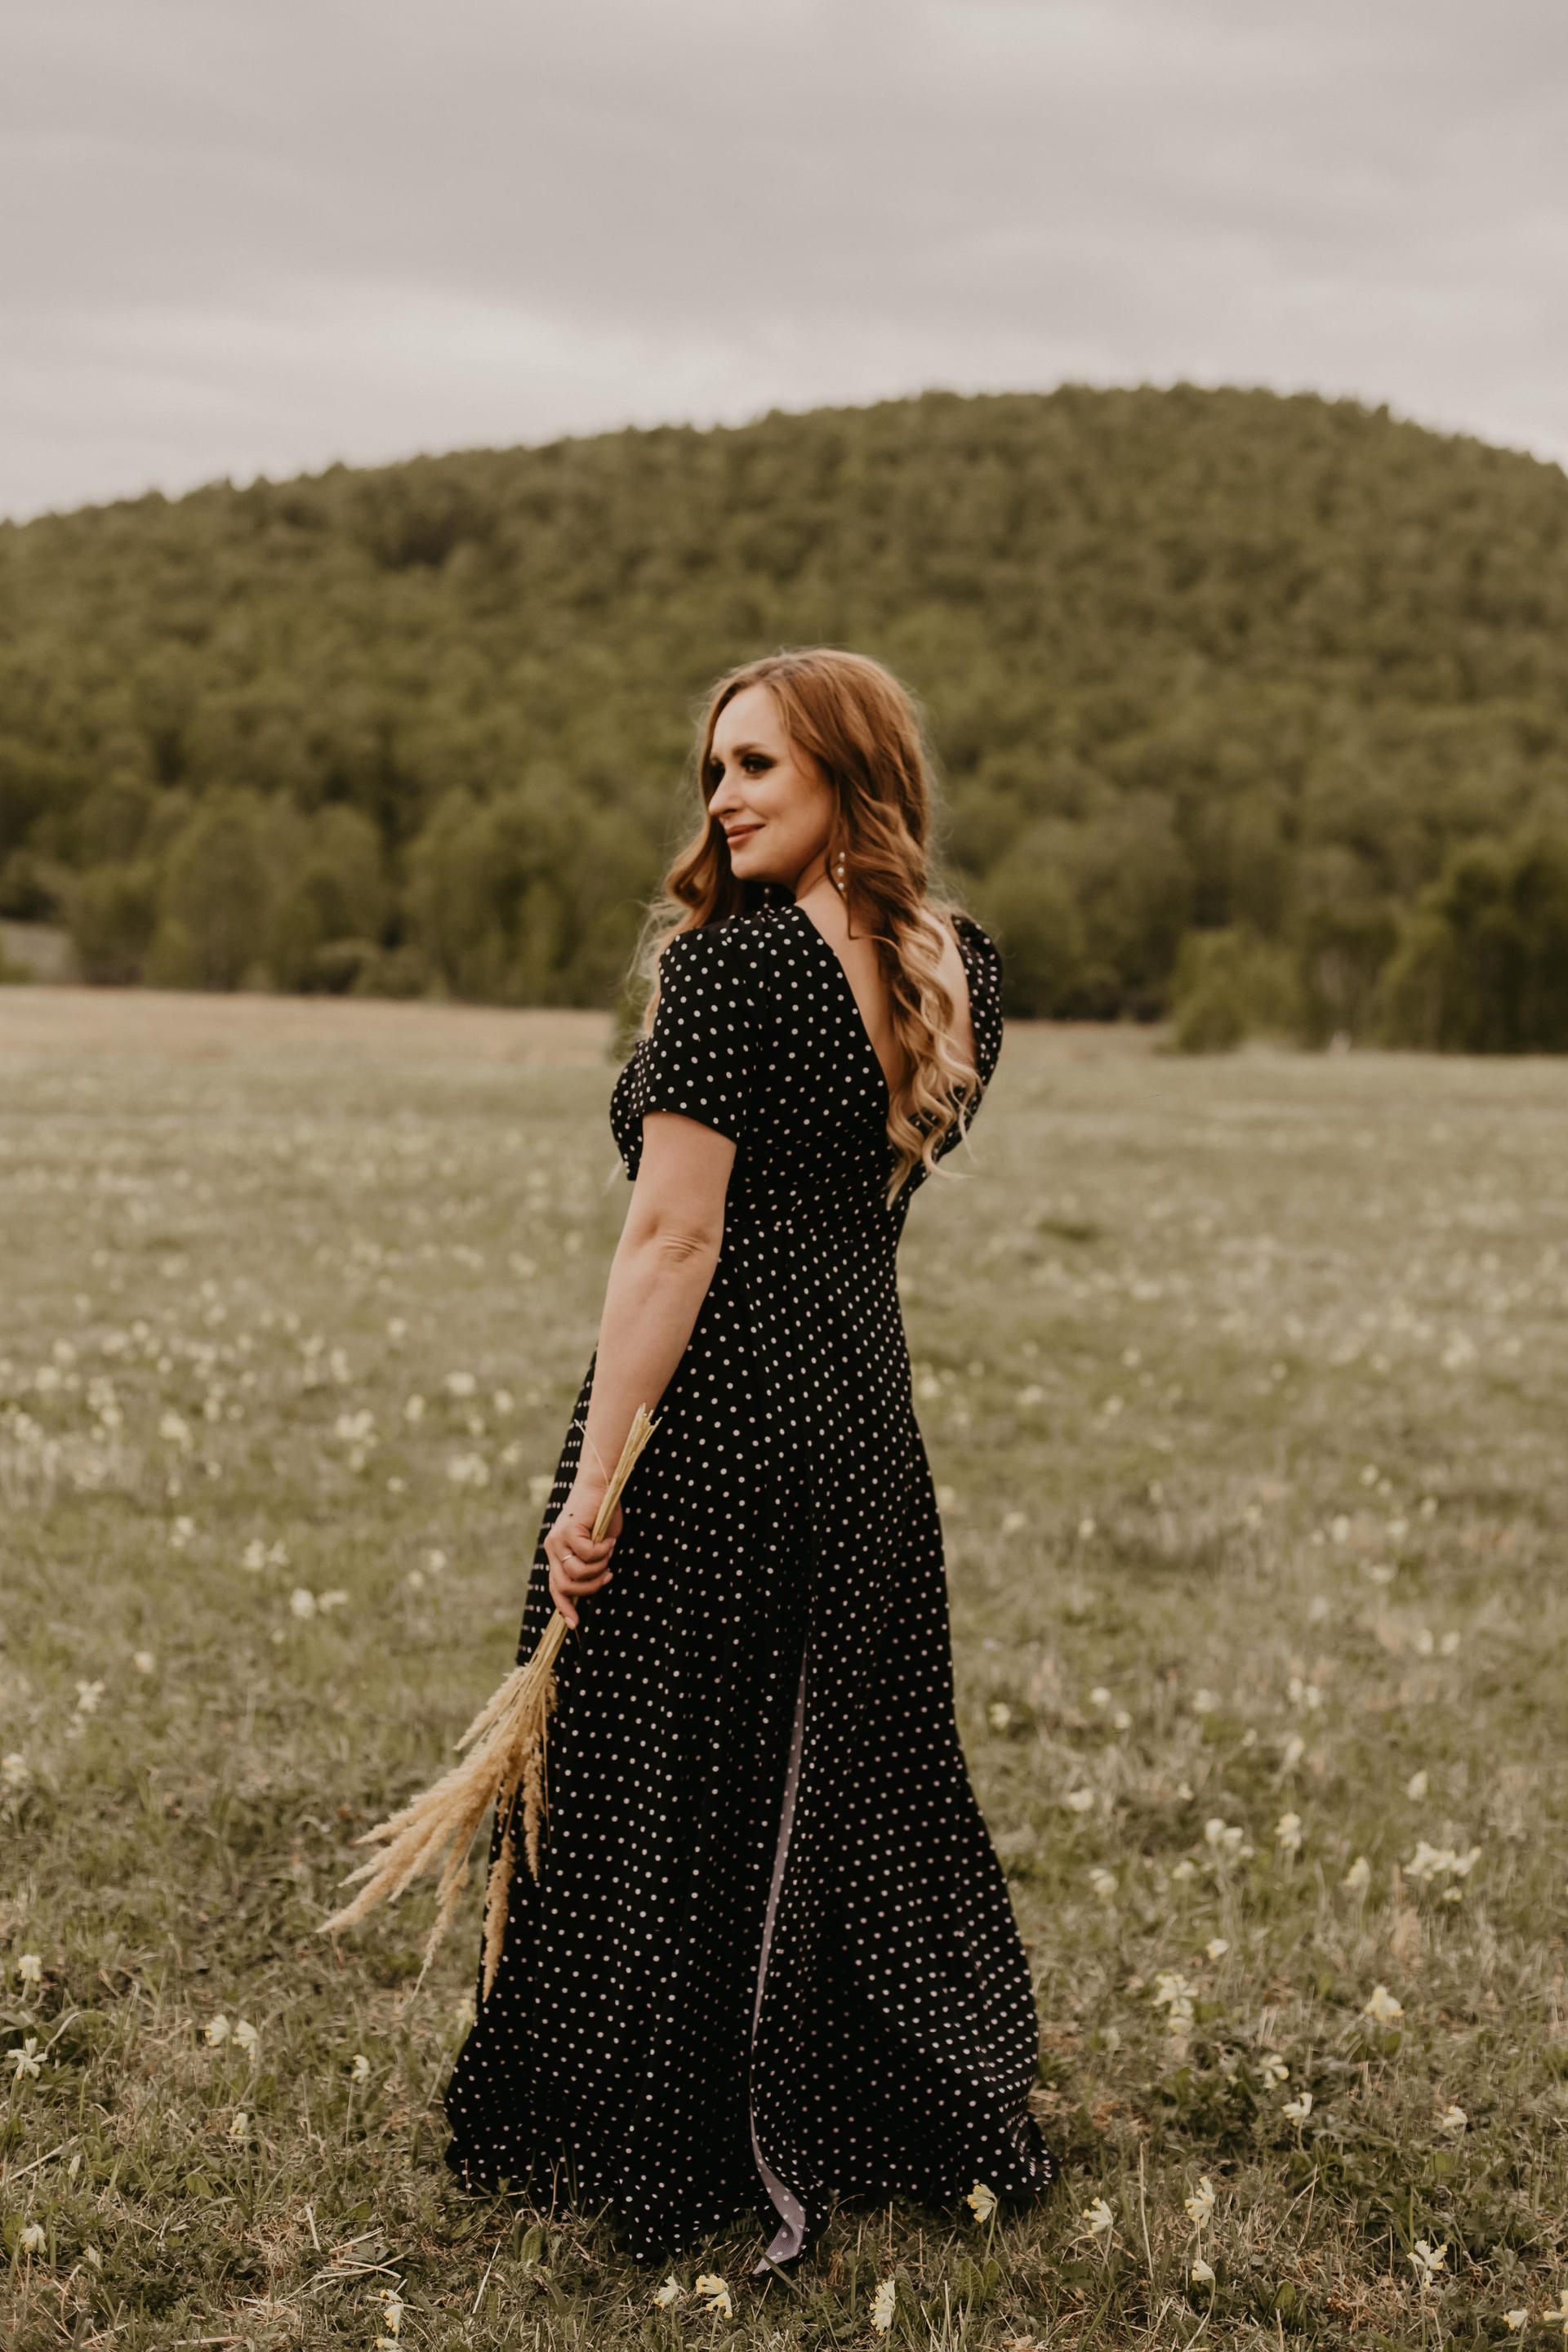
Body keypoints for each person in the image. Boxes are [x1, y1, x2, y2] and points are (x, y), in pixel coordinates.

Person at [444, 648, 1053, 2270]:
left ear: (852, 772)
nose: (721, 796)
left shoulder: (731, 972)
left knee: (655, 1753)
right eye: (714, 767)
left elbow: (672, 1238)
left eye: (758, 765)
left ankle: (656, 2109)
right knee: (844, 1758)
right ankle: (850, 2092)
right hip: (860, 1418)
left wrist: (593, 1491)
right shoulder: (960, 971)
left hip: (710, 1419)